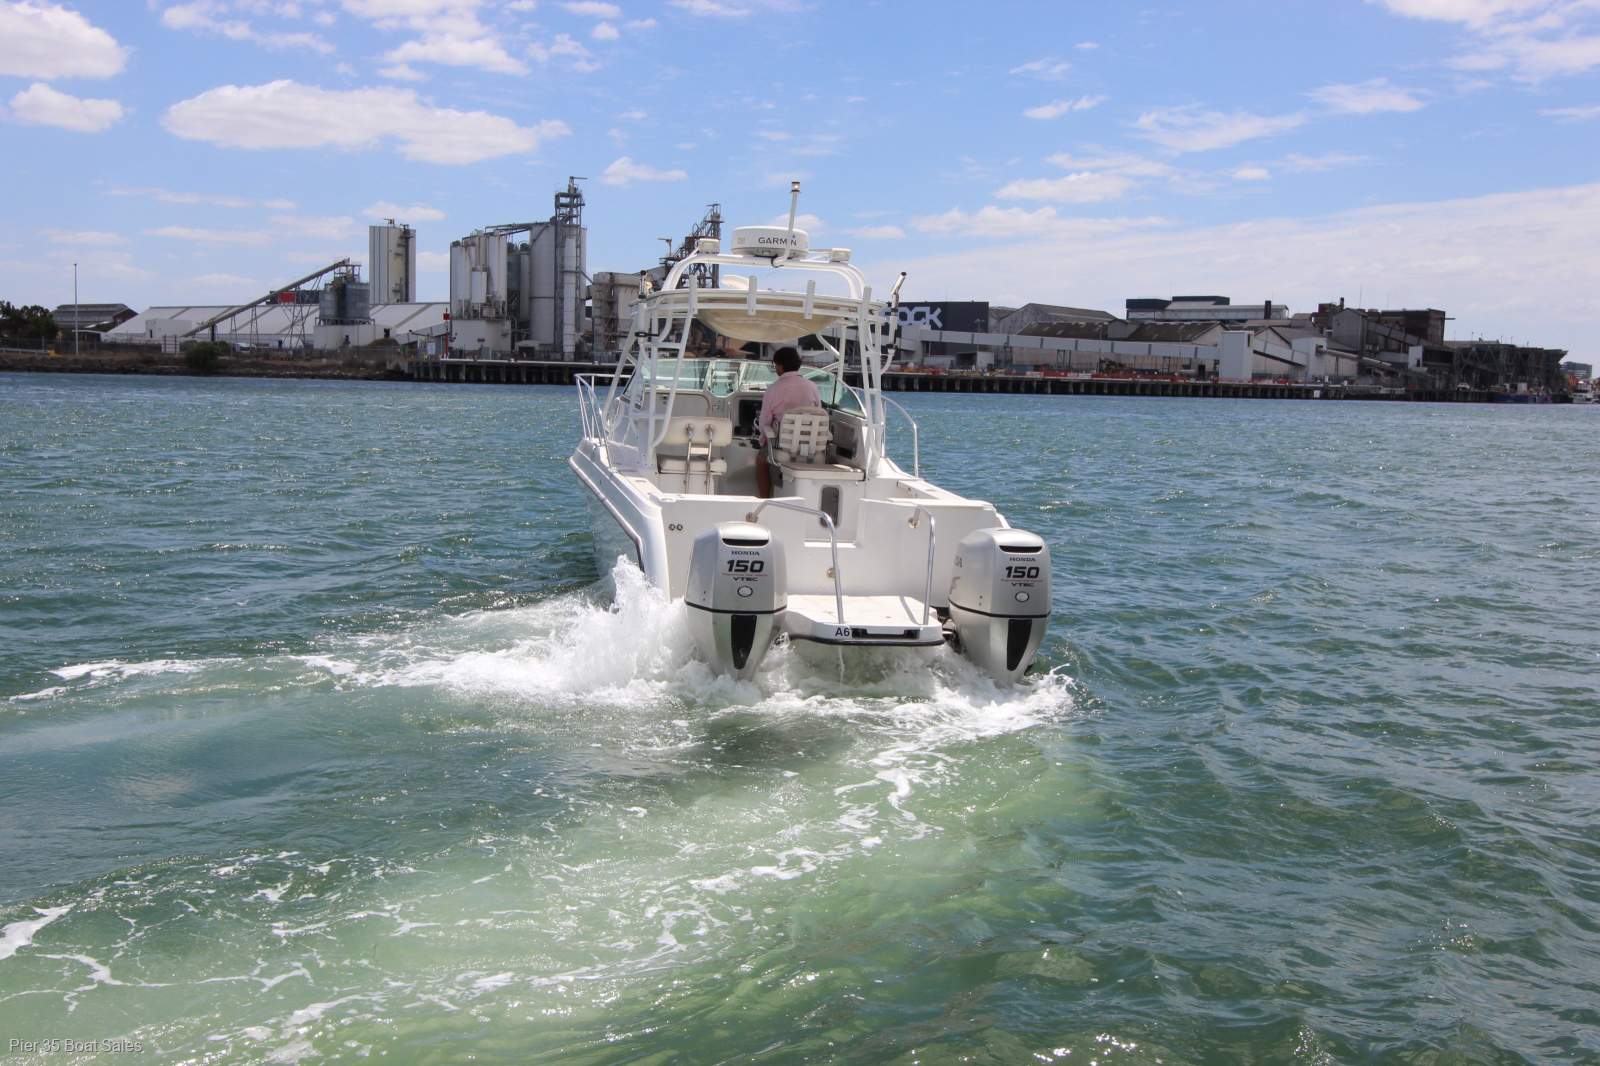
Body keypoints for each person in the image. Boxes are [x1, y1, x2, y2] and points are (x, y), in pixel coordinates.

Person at [754, 346, 821, 498]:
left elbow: (765, 421)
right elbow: (818, 413)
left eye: (775, 365)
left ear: (781, 365)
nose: (775, 368)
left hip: (782, 446)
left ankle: (764, 498)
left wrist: (763, 441)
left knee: (761, 459)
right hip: (808, 447)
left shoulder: (774, 389)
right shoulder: (812, 387)